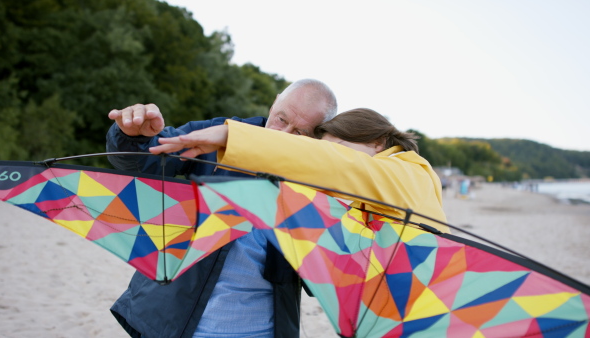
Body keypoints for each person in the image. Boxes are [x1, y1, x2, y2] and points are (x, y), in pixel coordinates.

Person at [106, 79, 337, 338]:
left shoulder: (318, 176)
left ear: (317, 138)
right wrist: (131, 136)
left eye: (299, 133)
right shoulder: (222, 133)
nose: (281, 135)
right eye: (281, 119)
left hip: (262, 329)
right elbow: (141, 161)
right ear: (274, 103)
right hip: (173, 319)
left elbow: (325, 274)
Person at [150, 108, 449, 233]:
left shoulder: (409, 174)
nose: (335, 155)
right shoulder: (378, 182)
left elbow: (336, 164)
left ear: (378, 142)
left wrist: (234, 137)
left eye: (341, 146)